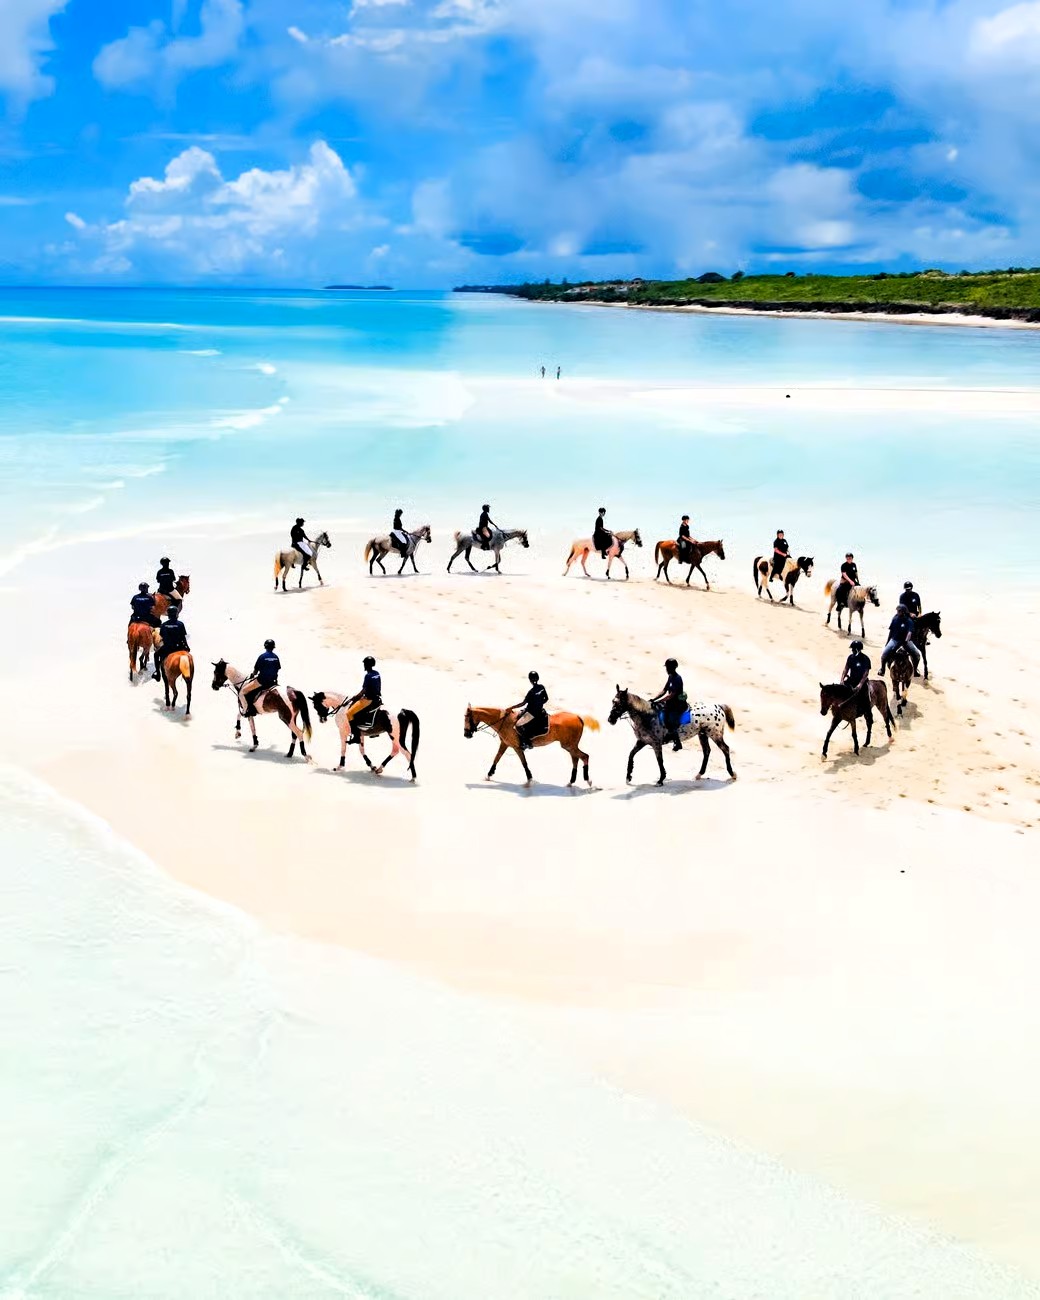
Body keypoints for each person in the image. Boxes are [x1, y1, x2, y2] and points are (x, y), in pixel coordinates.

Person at [652, 657, 686, 751]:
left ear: (672, 667)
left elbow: (671, 695)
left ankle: (677, 743)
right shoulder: (670, 677)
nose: (666, 669)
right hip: (670, 703)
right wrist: (654, 699)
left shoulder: (677, 679)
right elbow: (664, 690)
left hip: (677, 704)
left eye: (667, 667)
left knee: (671, 721)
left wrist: (659, 701)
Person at [878, 604, 922, 677]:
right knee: (884, 654)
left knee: (917, 655)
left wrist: (905, 641)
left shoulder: (909, 621)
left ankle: (915, 670)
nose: (897, 612)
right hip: (895, 640)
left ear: (904, 612)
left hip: (906, 641)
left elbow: (909, 633)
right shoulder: (895, 619)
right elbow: (891, 632)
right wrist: (887, 642)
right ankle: (882, 669)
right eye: (897, 611)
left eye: (899, 611)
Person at [346, 656, 382, 744]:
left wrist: (356, 697)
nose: (364, 665)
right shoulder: (377, 673)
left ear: (367, 665)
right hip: (377, 698)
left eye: (364, 664)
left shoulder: (368, 675)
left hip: (368, 699)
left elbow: (364, 690)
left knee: (349, 713)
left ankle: (356, 737)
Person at [240, 639, 281, 716]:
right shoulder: (276, 657)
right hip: (273, 682)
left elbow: (256, 671)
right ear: (273, 647)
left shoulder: (262, 657)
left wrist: (252, 674)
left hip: (262, 681)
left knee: (243, 691)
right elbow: (277, 668)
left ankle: (249, 710)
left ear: (265, 647)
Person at [512, 671, 549, 750]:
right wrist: (539, 704)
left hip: (531, 713)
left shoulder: (531, 692)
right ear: (538, 678)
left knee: (518, 725)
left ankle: (527, 743)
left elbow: (523, 703)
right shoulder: (542, 687)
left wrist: (512, 707)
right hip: (540, 711)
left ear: (530, 680)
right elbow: (546, 699)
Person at [152, 607, 189, 682]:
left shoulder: (164, 625)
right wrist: (186, 646)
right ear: (176, 614)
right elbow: (183, 637)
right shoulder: (180, 624)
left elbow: (162, 636)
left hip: (167, 648)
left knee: (156, 655)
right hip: (178, 647)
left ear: (168, 614)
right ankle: (187, 672)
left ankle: (157, 673)